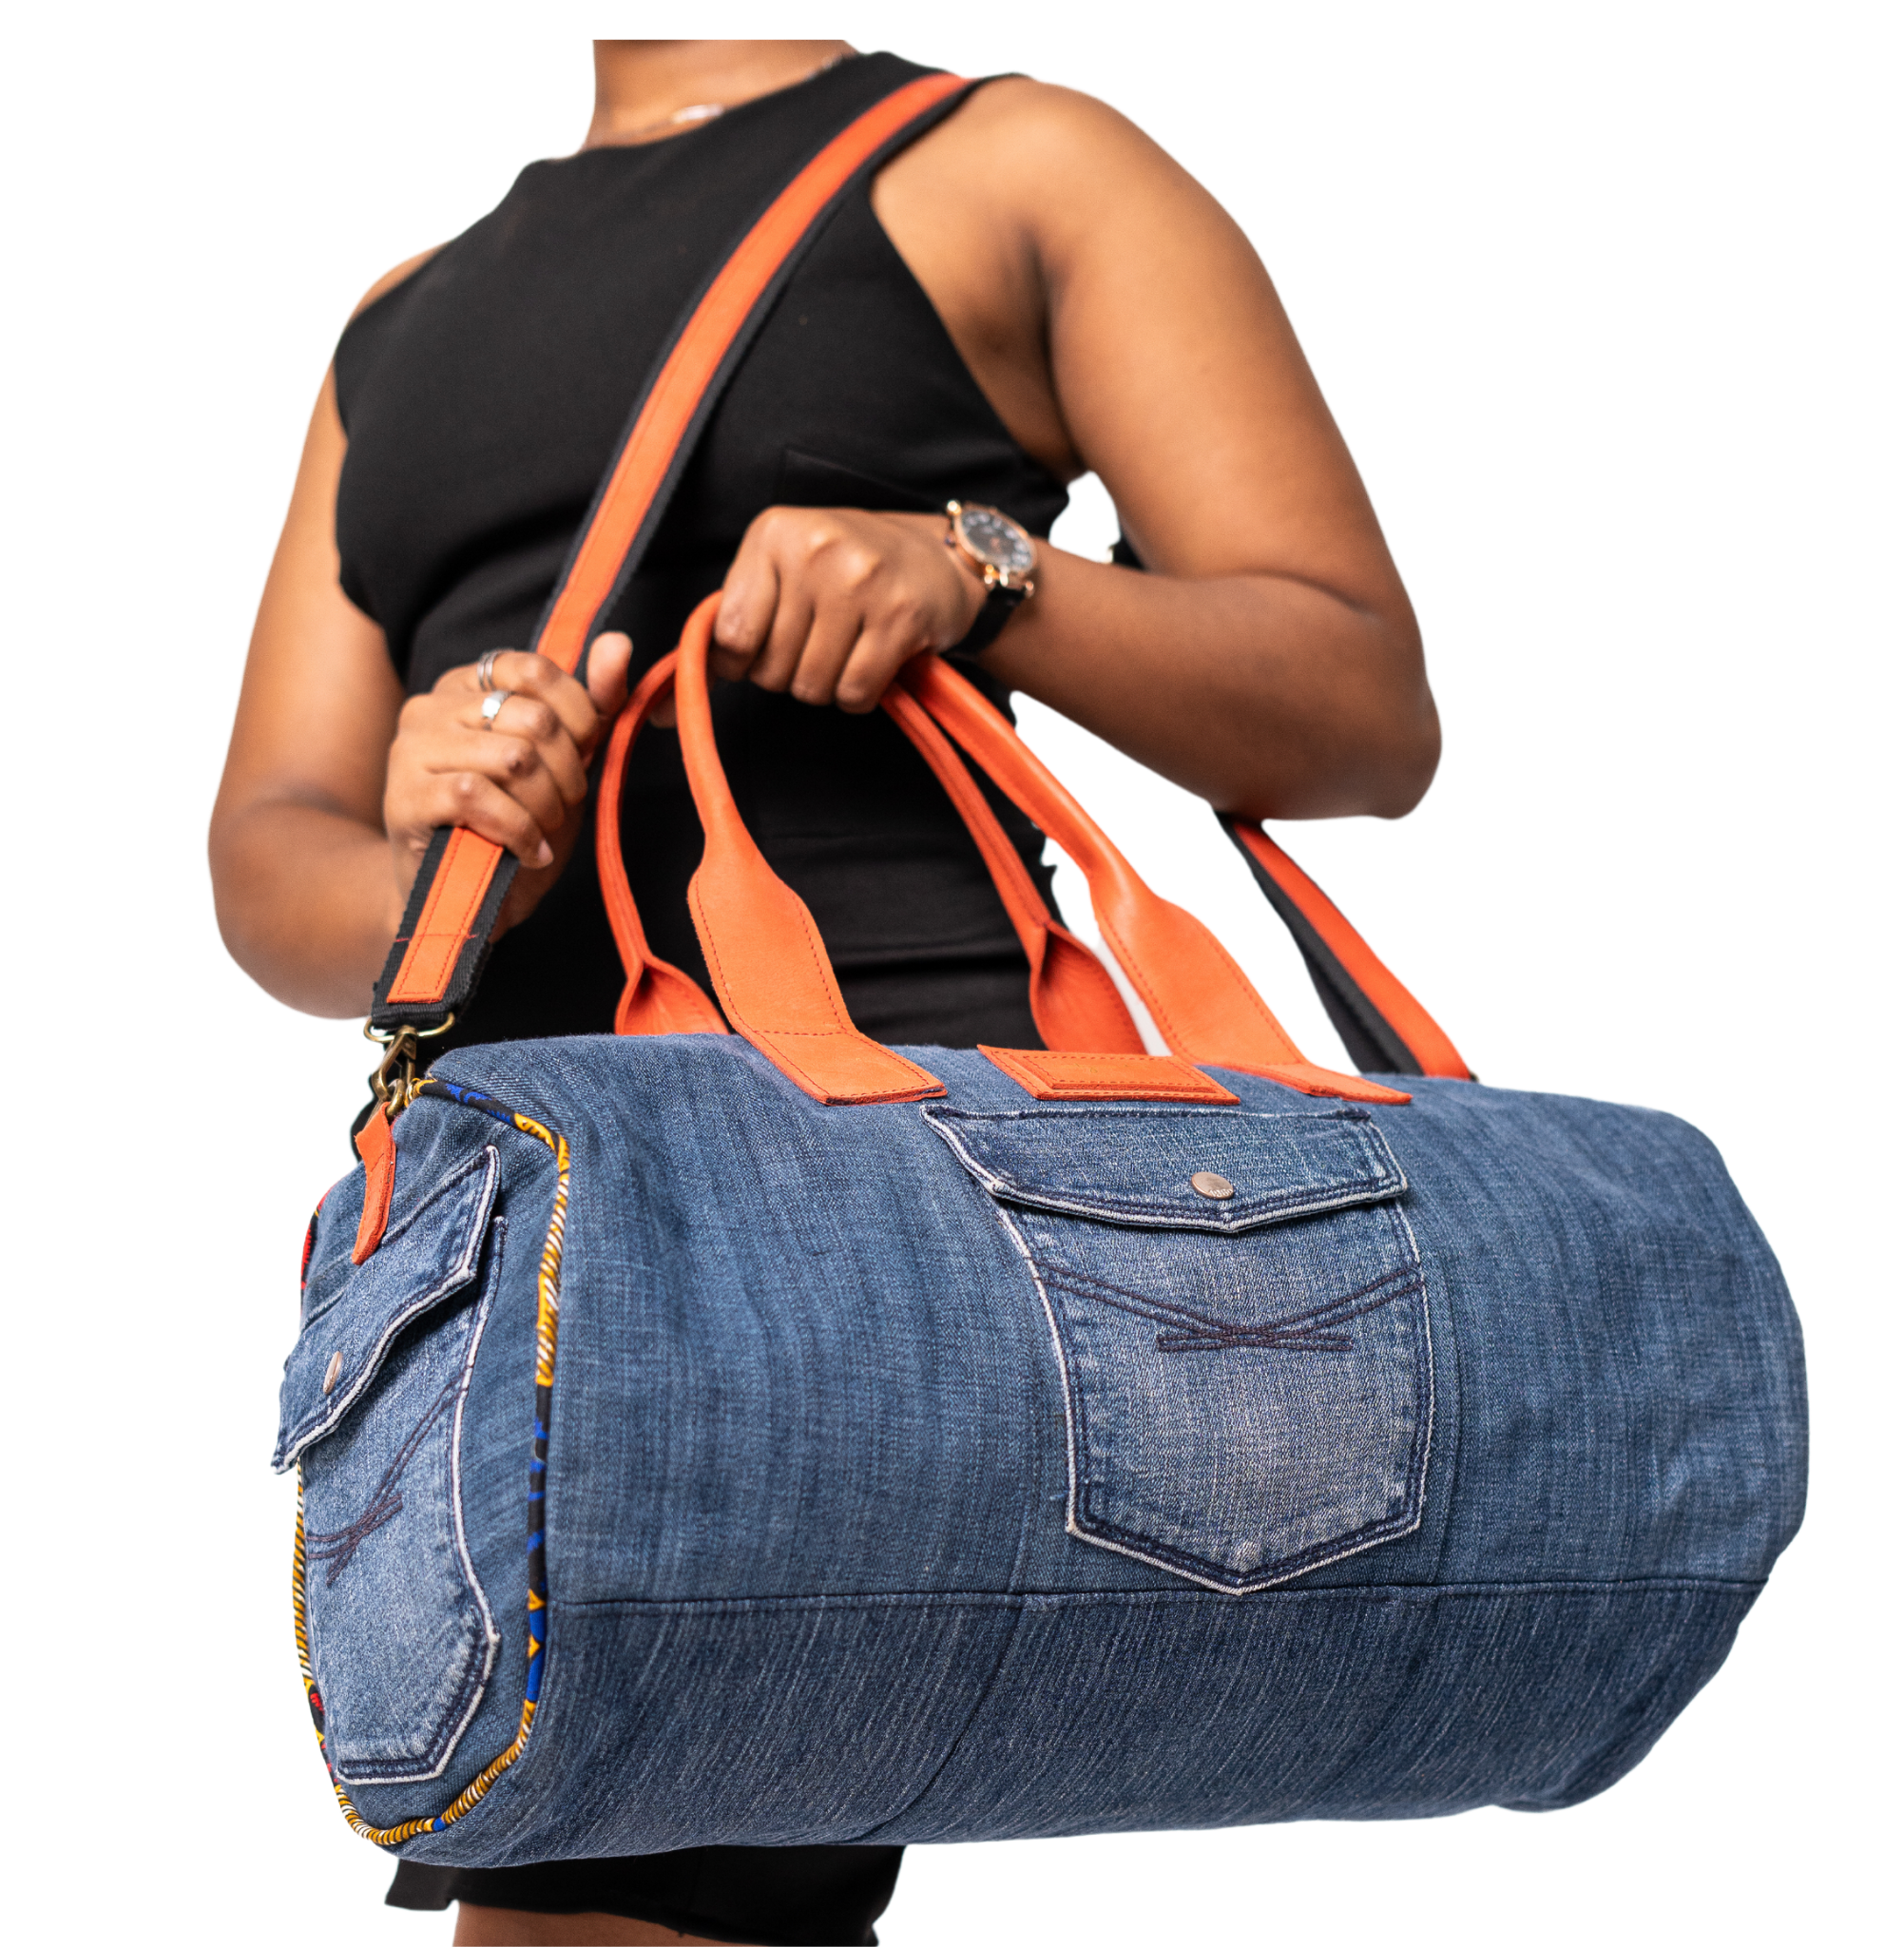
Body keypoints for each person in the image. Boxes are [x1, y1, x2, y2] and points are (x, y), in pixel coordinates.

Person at [210, 37, 1439, 1947]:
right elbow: (267, 856)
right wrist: (437, 840)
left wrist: (982, 570)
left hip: (895, 1180)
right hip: (525, 1240)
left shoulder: (1007, 166)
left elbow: (1357, 704)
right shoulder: (400, 319)